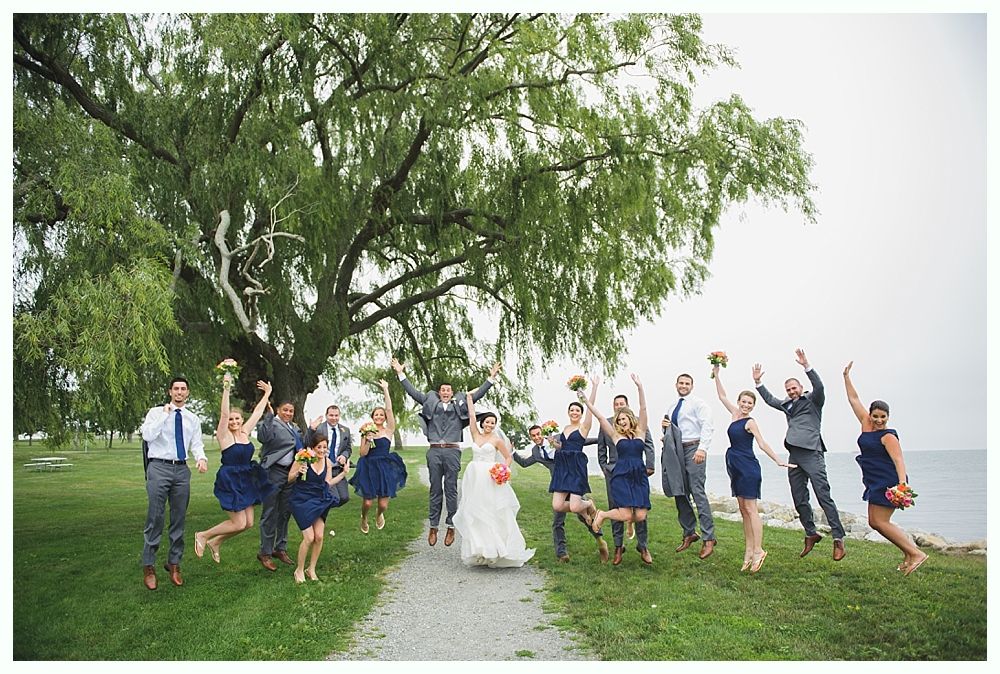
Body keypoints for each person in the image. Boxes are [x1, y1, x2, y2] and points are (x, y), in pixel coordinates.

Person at [392, 357, 500, 547]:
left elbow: (477, 396)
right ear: (439, 392)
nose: (445, 392)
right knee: (435, 489)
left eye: (448, 390)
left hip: (452, 451)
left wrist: (490, 379)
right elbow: (412, 392)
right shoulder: (429, 400)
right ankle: (433, 526)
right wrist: (401, 374)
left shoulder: (460, 403)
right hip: (434, 451)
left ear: (451, 393)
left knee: (451, 489)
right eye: (442, 390)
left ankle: (451, 526)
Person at [754, 349, 847, 561]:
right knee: (799, 498)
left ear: (801, 388)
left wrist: (807, 366)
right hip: (794, 455)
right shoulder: (787, 405)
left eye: (794, 387)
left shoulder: (813, 401)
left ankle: (838, 539)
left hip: (812, 453)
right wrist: (758, 383)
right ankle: (810, 533)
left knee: (823, 495)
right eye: (788, 389)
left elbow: (820, 386)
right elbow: (770, 400)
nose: (791, 391)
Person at [843, 361, 928, 575]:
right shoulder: (865, 423)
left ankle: (916, 553)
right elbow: (854, 399)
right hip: (873, 480)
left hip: (889, 481)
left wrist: (902, 485)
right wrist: (846, 377)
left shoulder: (888, 436)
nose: (879, 420)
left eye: (883, 417)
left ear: (888, 417)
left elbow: (899, 460)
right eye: (876, 416)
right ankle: (909, 555)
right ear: (870, 414)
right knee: (875, 521)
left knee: (879, 521)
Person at [713, 363, 795, 573]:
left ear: (752, 406)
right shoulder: (734, 415)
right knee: (743, 510)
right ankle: (748, 551)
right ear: (739, 402)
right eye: (743, 402)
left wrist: (778, 460)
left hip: (748, 467)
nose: (746, 405)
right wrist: (716, 374)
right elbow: (722, 396)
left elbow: (762, 443)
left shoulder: (750, 422)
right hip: (735, 466)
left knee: (751, 509)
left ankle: (758, 550)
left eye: (750, 403)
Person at [194, 375, 275, 563]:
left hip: (247, 478)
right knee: (238, 522)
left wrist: (268, 394)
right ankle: (203, 535)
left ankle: (215, 542)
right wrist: (227, 386)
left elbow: (257, 412)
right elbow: (223, 413)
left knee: (247, 524)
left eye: (237, 418)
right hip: (230, 478)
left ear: (241, 419)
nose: (234, 422)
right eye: (231, 420)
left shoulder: (245, 431)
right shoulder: (224, 436)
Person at [139, 377, 208, 590]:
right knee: (156, 516)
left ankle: (174, 562)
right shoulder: (156, 412)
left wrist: (201, 458)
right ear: (170, 391)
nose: (179, 392)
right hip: (159, 467)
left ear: (187, 393)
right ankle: (149, 565)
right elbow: (147, 435)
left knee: (178, 518)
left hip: (181, 469)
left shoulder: (192, 418)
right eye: (176, 388)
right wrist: (165, 414)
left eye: (183, 389)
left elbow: (196, 443)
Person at [452, 393, 535, 567]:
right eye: (487, 422)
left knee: (491, 511)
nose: (489, 424)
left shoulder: (497, 440)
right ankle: (480, 549)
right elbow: (472, 417)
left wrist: (503, 470)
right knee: (474, 510)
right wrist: (469, 399)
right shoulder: (475, 434)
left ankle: (496, 550)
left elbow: (508, 457)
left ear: (495, 425)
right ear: (483, 423)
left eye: (492, 422)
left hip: (490, 476)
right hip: (474, 476)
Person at [582, 375, 654, 565]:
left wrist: (640, 387)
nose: (621, 422)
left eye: (624, 418)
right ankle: (603, 515)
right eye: (619, 419)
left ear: (630, 418)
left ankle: (634, 535)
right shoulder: (615, 436)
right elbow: (598, 415)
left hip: (638, 477)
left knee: (640, 515)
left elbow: (643, 409)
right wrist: (586, 397)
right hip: (621, 476)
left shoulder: (641, 432)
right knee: (623, 513)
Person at [512, 425, 608, 562]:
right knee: (557, 521)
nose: (537, 437)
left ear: (542, 433)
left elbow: (580, 441)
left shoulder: (557, 439)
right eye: (533, 436)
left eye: (538, 434)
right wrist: (512, 452)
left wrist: (600, 439)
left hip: (573, 480)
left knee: (584, 516)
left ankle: (600, 542)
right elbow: (524, 463)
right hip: (559, 485)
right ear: (531, 438)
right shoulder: (536, 452)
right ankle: (562, 554)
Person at [662, 373, 717, 559]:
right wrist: (665, 429)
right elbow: (674, 431)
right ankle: (689, 533)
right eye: (681, 383)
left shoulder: (698, 404)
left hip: (694, 449)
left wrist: (702, 449)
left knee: (697, 493)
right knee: (679, 492)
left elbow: (707, 426)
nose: (683, 386)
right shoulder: (672, 406)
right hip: (676, 451)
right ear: (676, 384)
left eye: (687, 383)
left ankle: (709, 538)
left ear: (692, 386)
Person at [287, 433, 350, 583]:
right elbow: (289, 479)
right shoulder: (302, 458)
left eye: (324, 447)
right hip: (301, 500)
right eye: (319, 447)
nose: (322, 451)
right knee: (309, 537)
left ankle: (311, 569)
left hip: (319, 500)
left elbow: (327, 482)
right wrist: (297, 473)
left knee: (319, 536)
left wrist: (343, 474)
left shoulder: (327, 462)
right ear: (312, 448)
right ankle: (299, 570)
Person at [348, 379, 408, 533]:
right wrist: (367, 440)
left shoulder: (389, 430)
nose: (380, 416)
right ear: (372, 417)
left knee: (382, 505)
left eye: (381, 415)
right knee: (367, 502)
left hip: (384, 467)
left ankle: (379, 514)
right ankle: (364, 517)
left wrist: (386, 389)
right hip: (368, 466)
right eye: (376, 415)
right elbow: (362, 454)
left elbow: (389, 409)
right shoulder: (366, 431)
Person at [256, 399, 305, 571]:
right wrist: (268, 416)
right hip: (273, 472)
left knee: (285, 511)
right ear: (278, 410)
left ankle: (280, 548)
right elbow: (263, 436)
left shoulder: (294, 427)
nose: (288, 413)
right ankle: (265, 552)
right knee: (270, 512)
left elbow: (301, 445)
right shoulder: (272, 424)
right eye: (285, 410)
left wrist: (312, 428)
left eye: (291, 411)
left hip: (290, 474)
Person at [549, 376, 600, 527]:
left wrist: (594, 388)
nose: (574, 412)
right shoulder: (565, 428)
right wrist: (554, 443)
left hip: (575, 468)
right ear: (568, 412)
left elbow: (591, 407)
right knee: (557, 506)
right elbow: (562, 447)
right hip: (562, 467)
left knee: (575, 506)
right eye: (572, 410)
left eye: (577, 410)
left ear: (582, 413)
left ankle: (588, 503)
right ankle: (585, 513)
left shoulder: (584, 427)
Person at [305, 404, 352, 537]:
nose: (334, 418)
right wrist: (311, 429)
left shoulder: (345, 430)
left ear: (339, 416)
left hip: (338, 467)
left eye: (336, 415)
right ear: (326, 415)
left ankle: (318, 509)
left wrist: (344, 456)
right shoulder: (319, 428)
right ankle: (318, 517)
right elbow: (308, 443)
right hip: (324, 467)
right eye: (331, 415)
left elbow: (348, 448)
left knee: (344, 497)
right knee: (333, 497)